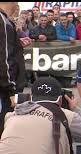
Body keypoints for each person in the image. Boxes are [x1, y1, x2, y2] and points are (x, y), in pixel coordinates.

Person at [0, 2, 32, 137]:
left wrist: (17, 44)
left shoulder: (6, 21)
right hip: (4, 90)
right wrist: (11, 90)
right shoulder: (3, 22)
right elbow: (4, 58)